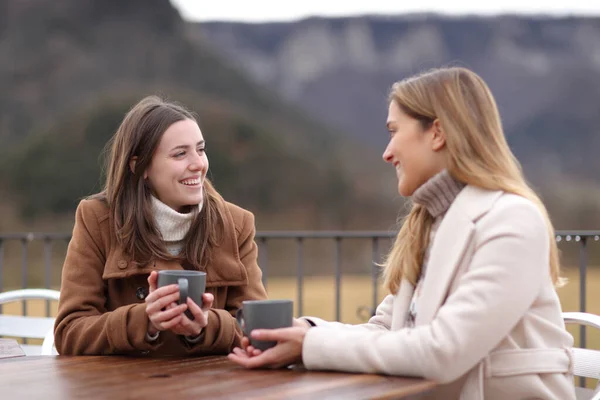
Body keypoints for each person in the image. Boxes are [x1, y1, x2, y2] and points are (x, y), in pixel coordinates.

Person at [228, 67, 576, 399]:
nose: (386, 152)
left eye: (394, 131)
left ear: (437, 133)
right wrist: (305, 333)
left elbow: (444, 351)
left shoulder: (512, 220)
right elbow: (385, 330)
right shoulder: (428, 224)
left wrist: (312, 346)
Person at [54, 95, 268, 356]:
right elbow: (69, 332)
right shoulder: (97, 219)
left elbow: (259, 331)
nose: (199, 164)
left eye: (200, 149)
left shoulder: (236, 225)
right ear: (139, 166)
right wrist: (145, 321)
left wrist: (204, 326)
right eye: (180, 154)